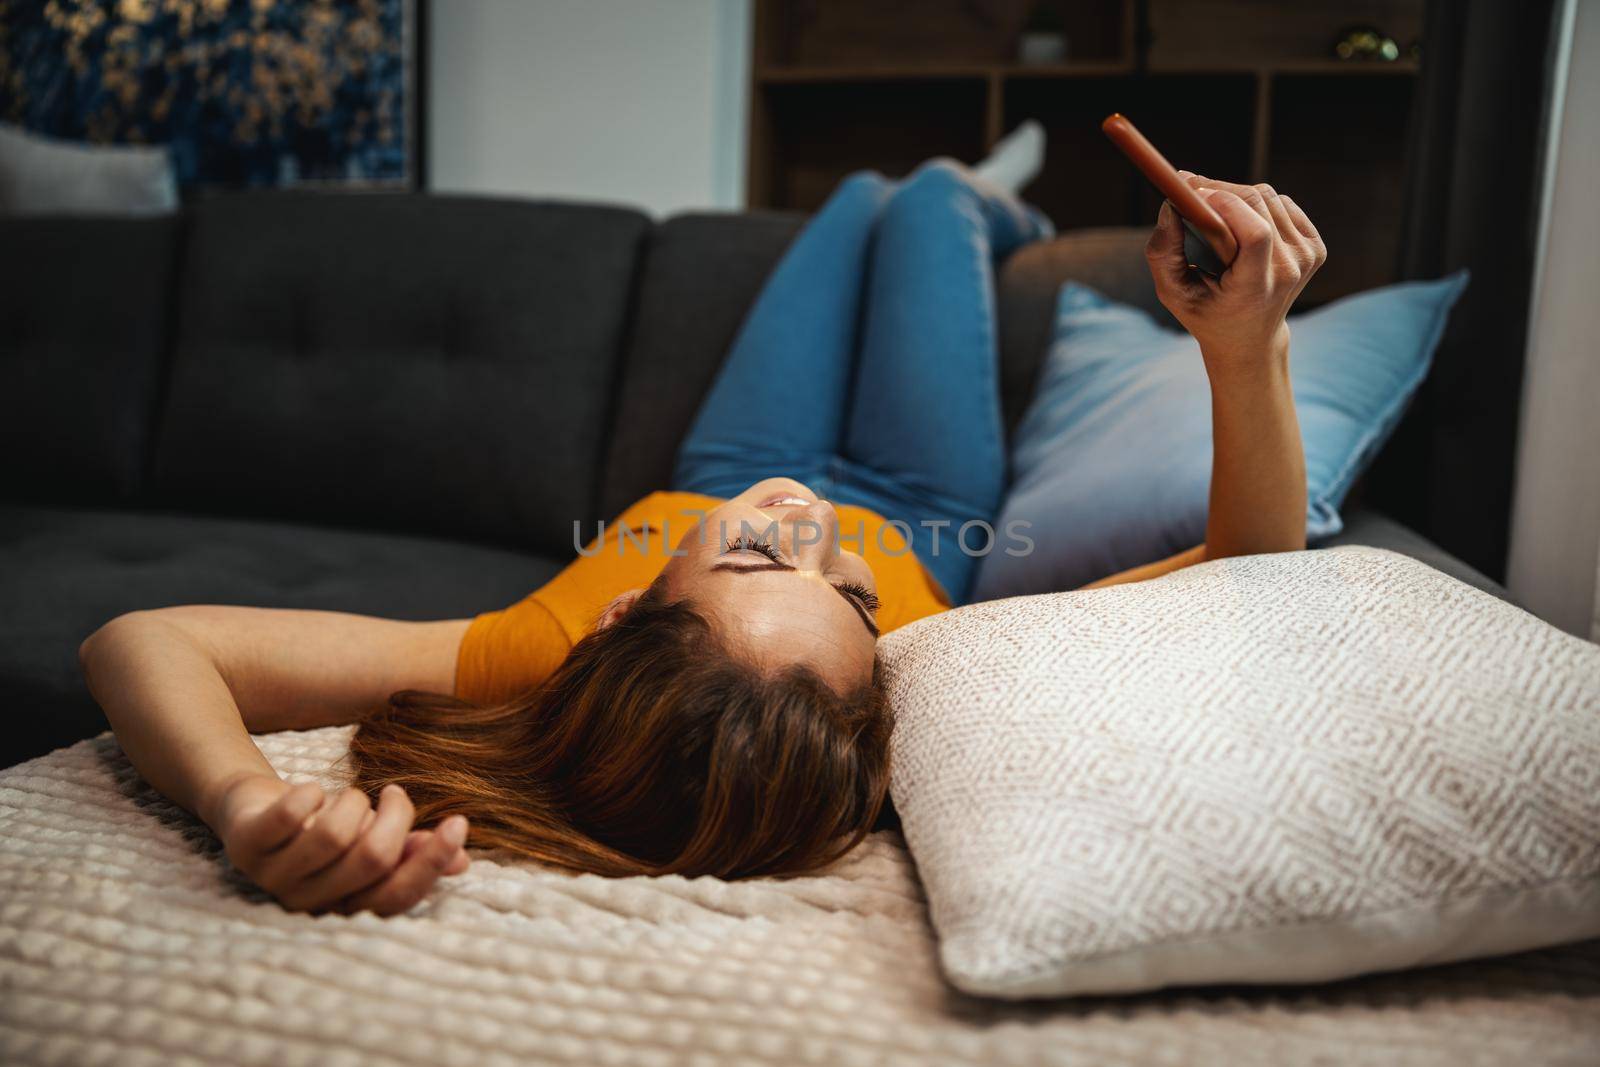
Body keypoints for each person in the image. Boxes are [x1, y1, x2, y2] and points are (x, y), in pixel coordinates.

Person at [80, 135, 1325, 914]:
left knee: (851, 196)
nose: (812, 523)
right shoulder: (921, 673)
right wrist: (1246, 343)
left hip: (720, 456)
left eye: (755, 554)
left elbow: (144, 639)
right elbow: (1249, 566)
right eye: (853, 593)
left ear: (622, 612)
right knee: (925, 199)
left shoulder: (537, 650)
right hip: (928, 490)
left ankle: (984, 203)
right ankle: (993, 201)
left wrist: (243, 803)